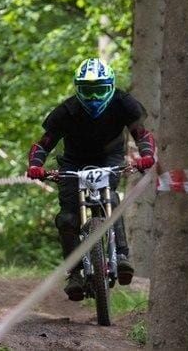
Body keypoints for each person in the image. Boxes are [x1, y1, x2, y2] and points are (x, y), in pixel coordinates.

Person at [26, 58, 156, 301]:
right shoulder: (67, 110)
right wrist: (35, 165)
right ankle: (75, 273)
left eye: (100, 89)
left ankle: (122, 255)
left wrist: (147, 156)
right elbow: (45, 142)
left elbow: (141, 133)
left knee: (111, 196)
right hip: (73, 163)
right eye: (88, 90)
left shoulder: (123, 103)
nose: (94, 96)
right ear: (78, 89)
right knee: (67, 218)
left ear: (111, 86)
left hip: (110, 158)